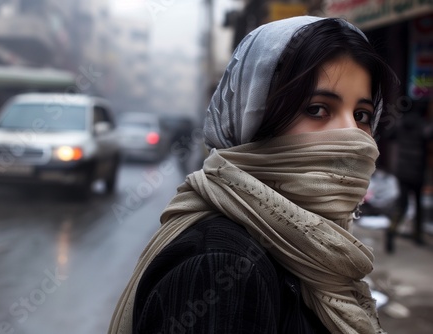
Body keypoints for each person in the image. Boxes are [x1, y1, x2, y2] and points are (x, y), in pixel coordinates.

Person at [109, 16, 398, 334]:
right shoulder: (219, 269)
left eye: (361, 115)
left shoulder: (321, 252)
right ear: (254, 118)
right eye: (317, 109)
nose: (350, 135)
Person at [386, 101, 433, 253]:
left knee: (402, 204)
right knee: (418, 204)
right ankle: (417, 235)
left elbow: (388, 135)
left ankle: (391, 231)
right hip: (417, 172)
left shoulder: (401, 124)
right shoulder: (423, 125)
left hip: (402, 171)